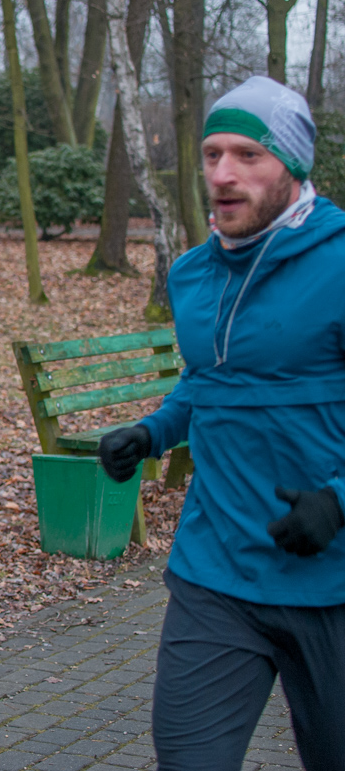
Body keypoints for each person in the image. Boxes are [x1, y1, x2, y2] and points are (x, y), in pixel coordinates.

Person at [98, 76, 345, 771]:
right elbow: (210, 382)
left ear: (293, 166)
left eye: (247, 154)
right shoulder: (192, 276)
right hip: (218, 573)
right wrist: (153, 432)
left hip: (332, 582)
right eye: (211, 154)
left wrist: (338, 499)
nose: (223, 174)